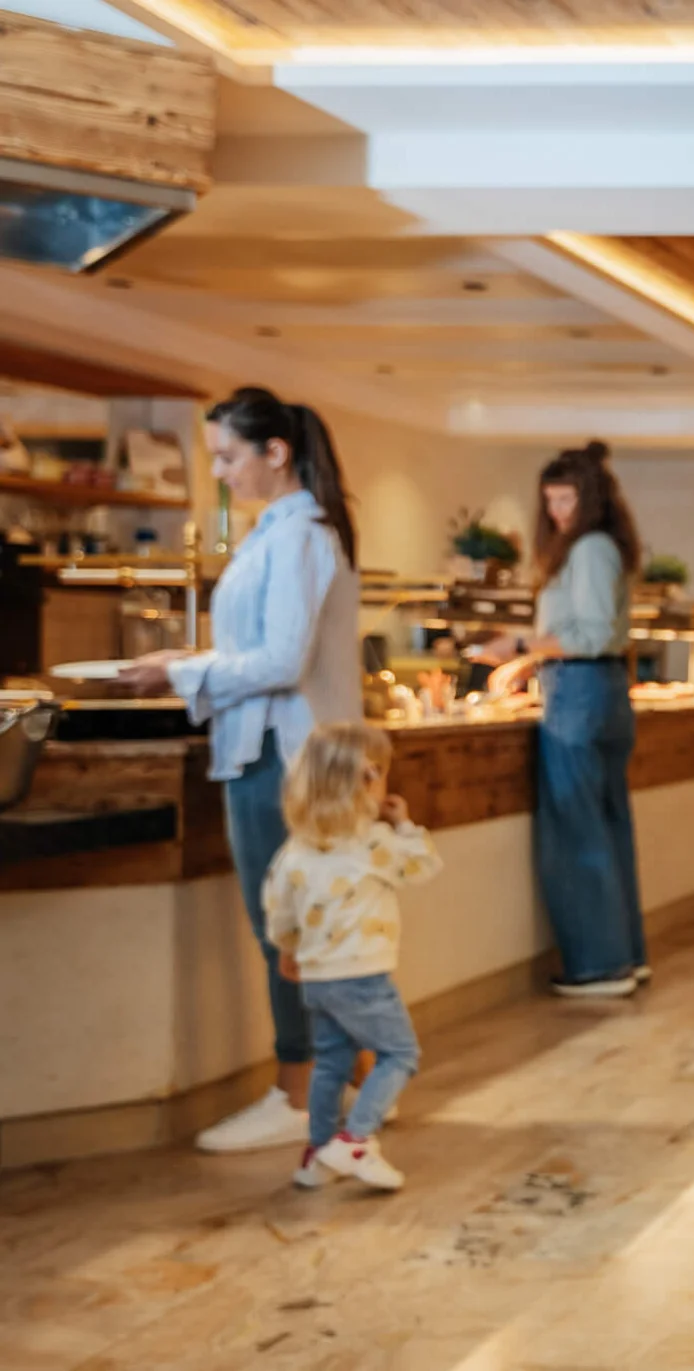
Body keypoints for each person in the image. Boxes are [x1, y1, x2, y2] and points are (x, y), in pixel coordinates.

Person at [121, 387, 361, 1154]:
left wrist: (184, 670)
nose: (220, 471)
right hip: (271, 750)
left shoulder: (298, 536)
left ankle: (299, 1095)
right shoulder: (279, 532)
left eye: (228, 455)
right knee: (300, 931)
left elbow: (282, 661)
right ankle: (342, 1079)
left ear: (275, 452)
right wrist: (189, 664)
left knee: (284, 932)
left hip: (281, 757)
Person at [470, 441, 648, 997]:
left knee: (576, 829)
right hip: (600, 688)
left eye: (566, 498)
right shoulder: (601, 546)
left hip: (581, 692)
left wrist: (520, 644)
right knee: (606, 824)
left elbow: (589, 633)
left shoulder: (591, 548)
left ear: (590, 497)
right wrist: (531, 659)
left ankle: (598, 964)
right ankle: (624, 955)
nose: (557, 512)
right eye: (550, 500)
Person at [267, 722, 441, 1192]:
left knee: (330, 1062)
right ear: (366, 780)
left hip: (318, 978)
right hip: (363, 976)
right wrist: (403, 823)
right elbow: (423, 864)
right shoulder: (372, 844)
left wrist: (288, 949)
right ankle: (355, 1139)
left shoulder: (295, 849)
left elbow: (278, 907)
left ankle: (318, 1154)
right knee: (400, 1053)